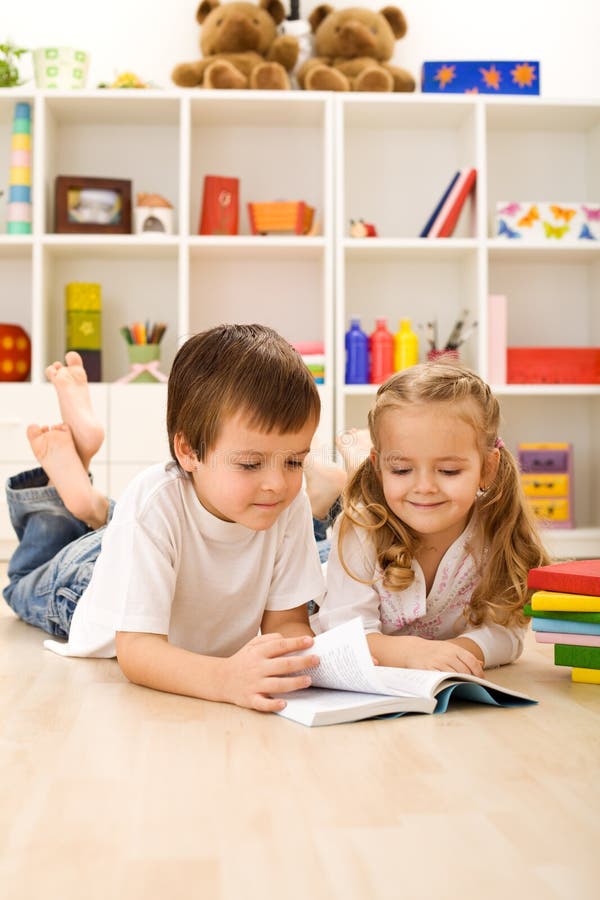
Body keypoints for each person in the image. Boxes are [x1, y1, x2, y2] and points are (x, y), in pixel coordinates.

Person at [3, 324, 327, 714]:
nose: (277, 483)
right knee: (26, 579)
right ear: (189, 450)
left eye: (294, 461)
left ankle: (87, 498)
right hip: (83, 591)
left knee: (119, 526)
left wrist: (302, 659)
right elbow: (137, 651)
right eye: (250, 464)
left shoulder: (287, 504)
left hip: (155, 569)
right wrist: (224, 679)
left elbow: (286, 623)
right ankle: (64, 491)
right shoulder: (157, 500)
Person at [312, 361, 551, 676]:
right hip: (324, 584)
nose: (425, 487)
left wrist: (453, 654)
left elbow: (508, 632)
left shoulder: (497, 530)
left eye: (448, 471)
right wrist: (414, 652)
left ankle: (346, 483)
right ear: (380, 466)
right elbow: (342, 633)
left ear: (487, 469)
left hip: (381, 521)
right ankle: (321, 502)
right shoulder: (359, 528)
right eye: (401, 469)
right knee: (316, 548)